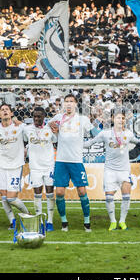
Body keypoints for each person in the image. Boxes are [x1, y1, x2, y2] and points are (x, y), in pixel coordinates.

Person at [84, 109, 138, 231]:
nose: (121, 120)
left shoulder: (128, 134)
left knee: (126, 196)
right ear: (113, 119)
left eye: (123, 118)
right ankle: (113, 222)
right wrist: (75, 144)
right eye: (118, 117)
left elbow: (139, 143)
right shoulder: (105, 133)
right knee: (109, 197)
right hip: (110, 170)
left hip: (124, 170)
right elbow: (91, 143)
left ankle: (122, 222)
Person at [49, 94, 95, 232]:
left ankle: (87, 222)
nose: (68, 104)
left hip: (76, 161)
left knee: (81, 191)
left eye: (71, 101)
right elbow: (47, 125)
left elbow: (94, 132)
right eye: (66, 101)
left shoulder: (82, 119)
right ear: (63, 104)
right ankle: (64, 222)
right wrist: (51, 126)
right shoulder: (58, 118)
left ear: (75, 104)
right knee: (60, 192)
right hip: (61, 160)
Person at [0, 104, 30, 230]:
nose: (4, 111)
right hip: (2, 166)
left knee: (11, 198)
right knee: (4, 197)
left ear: (11, 113)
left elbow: (30, 135)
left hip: (16, 166)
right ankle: (12, 221)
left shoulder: (20, 127)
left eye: (7, 109)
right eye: (2, 110)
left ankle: (27, 216)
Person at [24, 107, 57, 232]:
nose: (37, 119)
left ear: (44, 116)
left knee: (49, 193)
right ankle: (39, 220)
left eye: (39, 116)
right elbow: (22, 141)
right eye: (35, 116)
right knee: (37, 194)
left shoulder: (49, 129)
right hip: (35, 167)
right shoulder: (27, 129)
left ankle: (50, 221)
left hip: (48, 166)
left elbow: (56, 140)